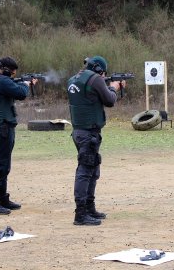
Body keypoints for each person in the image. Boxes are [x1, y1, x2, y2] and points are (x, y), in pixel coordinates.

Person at [67, 55, 126, 226]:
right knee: (85, 171)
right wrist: (114, 88)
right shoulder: (95, 80)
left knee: (92, 169)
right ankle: (81, 214)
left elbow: (90, 97)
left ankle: (89, 208)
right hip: (88, 133)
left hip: (80, 131)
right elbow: (110, 101)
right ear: (99, 69)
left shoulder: (73, 79)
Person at [0, 57, 38, 215]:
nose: (13, 75)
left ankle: (2, 198)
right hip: (1, 128)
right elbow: (21, 93)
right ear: (7, 70)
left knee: (3, 165)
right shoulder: (1, 81)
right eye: (13, 73)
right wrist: (26, 84)